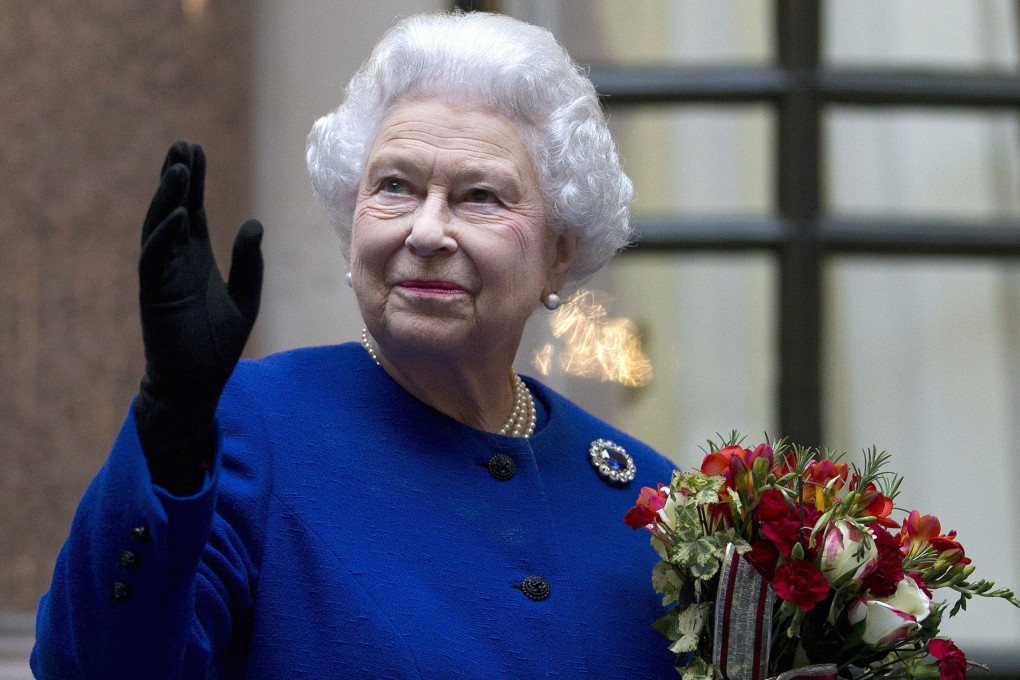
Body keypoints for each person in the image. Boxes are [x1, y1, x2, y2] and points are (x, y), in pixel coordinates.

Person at [32, 11, 677, 678]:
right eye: (395, 186)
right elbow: (93, 667)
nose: (426, 233)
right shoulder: (248, 432)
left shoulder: (650, 499)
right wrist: (167, 426)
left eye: (478, 196)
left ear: (558, 253)